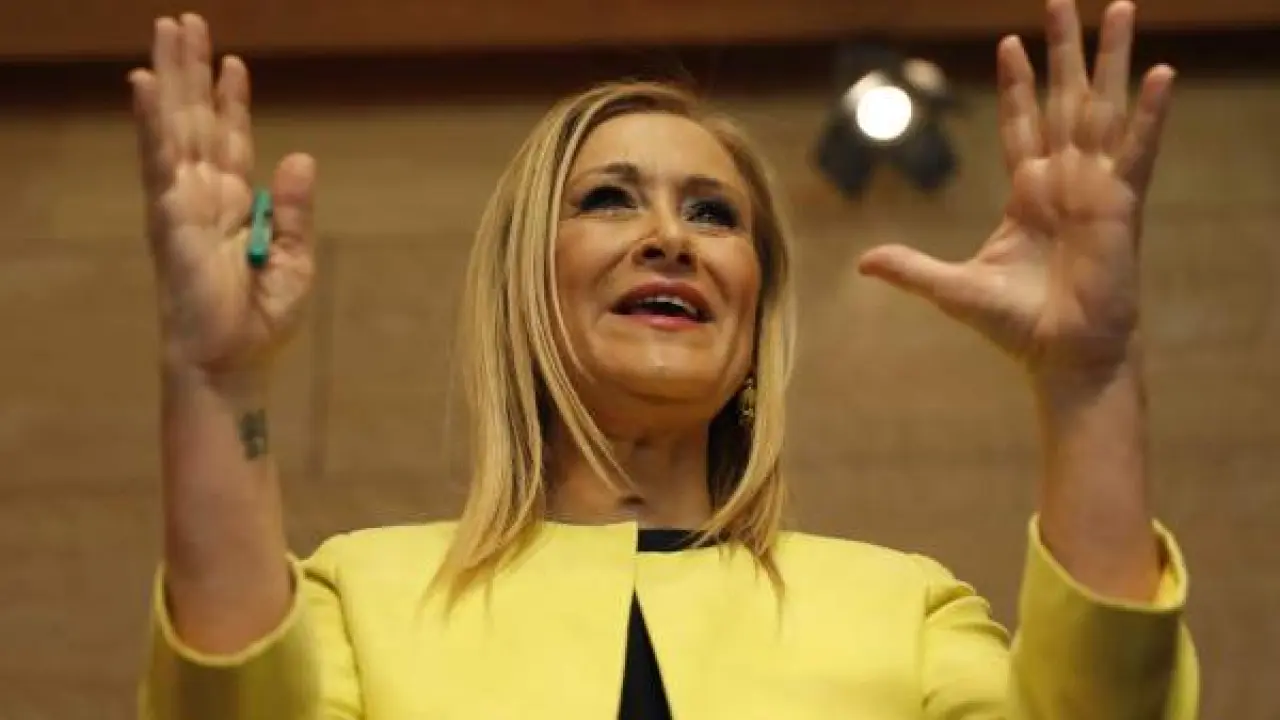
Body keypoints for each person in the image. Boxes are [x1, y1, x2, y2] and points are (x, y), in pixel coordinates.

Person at [130, 0, 1198, 717]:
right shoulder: (362, 596)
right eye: (608, 199)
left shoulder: (903, 611)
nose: (669, 238)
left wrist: (1089, 380)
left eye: (712, 213)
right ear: (525, 285)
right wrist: (216, 382)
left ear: (754, 307)